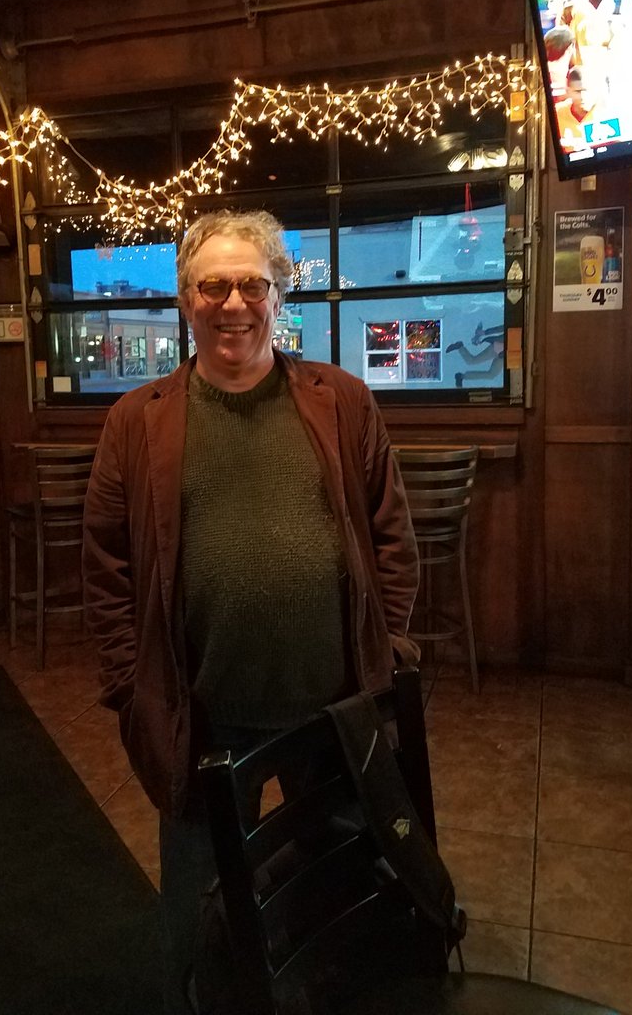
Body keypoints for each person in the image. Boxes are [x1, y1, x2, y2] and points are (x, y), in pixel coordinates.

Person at [82, 208, 420, 1014]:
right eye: (213, 286)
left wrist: (391, 653)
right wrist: (131, 690)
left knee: (335, 884)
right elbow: (106, 568)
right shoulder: (137, 420)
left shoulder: (342, 401)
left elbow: (393, 538)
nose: (233, 303)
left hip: (333, 706)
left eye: (252, 284)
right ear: (185, 300)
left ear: (279, 294)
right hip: (201, 715)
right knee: (200, 905)